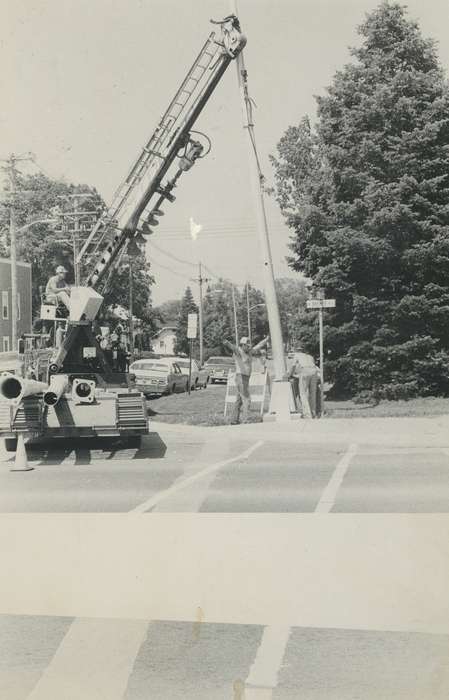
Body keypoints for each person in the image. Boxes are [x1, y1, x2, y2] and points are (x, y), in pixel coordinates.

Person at [223, 335, 269, 424]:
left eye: (249, 346)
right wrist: (227, 343)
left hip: (246, 378)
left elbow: (259, 345)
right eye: (247, 346)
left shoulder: (250, 352)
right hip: (240, 376)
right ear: (242, 345)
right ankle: (246, 420)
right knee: (247, 399)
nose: (248, 347)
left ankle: (233, 420)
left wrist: (266, 339)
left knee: (239, 400)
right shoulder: (238, 352)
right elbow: (233, 348)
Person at [289, 345, 319, 419]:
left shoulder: (297, 355)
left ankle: (307, 414)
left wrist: (290, 374)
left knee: (303, 394)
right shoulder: (310, 356)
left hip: (305, 371)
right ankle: (313, 413)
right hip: (314, 371)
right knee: (313, 393)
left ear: (297, 350)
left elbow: (293, 366)